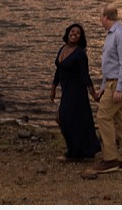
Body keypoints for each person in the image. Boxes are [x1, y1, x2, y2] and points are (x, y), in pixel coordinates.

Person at [91, 4, 122, 174]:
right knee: (121, 120)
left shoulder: (121, 34)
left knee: (103, 116)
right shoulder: (111, 35)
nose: (99, 19)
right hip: (111, 82)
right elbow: (111, 65)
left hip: (118, 83)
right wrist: (103, 87)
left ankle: (110, 159)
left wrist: (119, 88)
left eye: (100, 16)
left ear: (106, 18)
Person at [50, 23, 101, 162]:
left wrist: (94, 94)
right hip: (66, 90)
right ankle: (77, 150)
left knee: (63, 118)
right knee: (67, 120)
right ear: (68, 33)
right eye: (72, 31)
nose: (74, 34)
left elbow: (85, 76)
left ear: (80, 37)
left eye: (78, 33)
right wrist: (53, 88)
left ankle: (74, 152)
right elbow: (58, 70)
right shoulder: (62, 49)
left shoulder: (80, 53)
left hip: (77, 91)